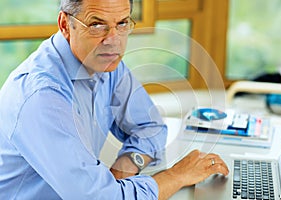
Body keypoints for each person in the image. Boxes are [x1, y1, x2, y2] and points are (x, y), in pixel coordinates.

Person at [0, 0, 229, 199]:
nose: (113, 40)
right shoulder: (41, 97)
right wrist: (176, 175)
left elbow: (150, 126)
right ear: (65, 25)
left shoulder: (104, 62)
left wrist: (127, 166)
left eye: (122, 23)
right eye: (97, 25)